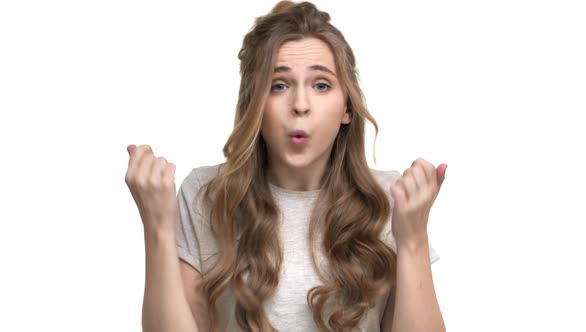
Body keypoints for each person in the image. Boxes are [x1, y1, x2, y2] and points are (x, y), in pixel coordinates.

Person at [125, 1, 447, 331]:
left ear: (347, 108)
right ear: (255, 105)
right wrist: (157, 229)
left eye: (321, 85)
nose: (300, 105)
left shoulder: (390, 199)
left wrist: (413, 239)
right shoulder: (205, 196)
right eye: (279, 86)